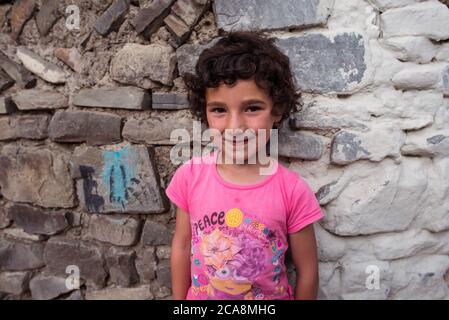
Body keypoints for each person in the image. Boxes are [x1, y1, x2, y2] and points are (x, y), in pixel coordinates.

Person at [167, 30, 324, 300]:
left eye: (252, 108)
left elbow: (307, 271)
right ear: (204, 111)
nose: (235, 127)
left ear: (277, 110)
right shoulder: (189, 177)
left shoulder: (292, 190)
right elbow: (181, 248)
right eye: (219, 110)